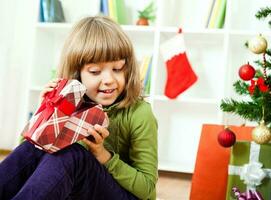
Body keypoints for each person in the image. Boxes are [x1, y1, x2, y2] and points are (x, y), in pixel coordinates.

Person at [0, 16, 158, 200]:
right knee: (38, 148)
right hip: (77, 190)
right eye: (95, 72)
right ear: (77, 74)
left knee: (72, 154)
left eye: (117, 68)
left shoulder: (140, 113)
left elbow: (148, 191)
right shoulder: (72, 104)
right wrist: (44, 114)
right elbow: (28, 163)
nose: (109, 79)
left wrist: (102, 154)